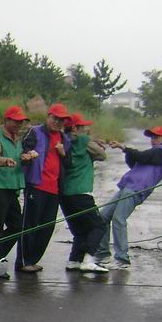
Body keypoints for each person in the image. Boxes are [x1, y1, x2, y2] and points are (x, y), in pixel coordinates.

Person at [94, 126, 162, 270]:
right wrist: (127, 152)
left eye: (156, 137)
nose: (153, 140)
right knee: (103, 216)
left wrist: (123, 147)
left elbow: (140, 156)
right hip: (127, 187)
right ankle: (103, 254)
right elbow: (134, 162)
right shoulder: (154, 152)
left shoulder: (161, 151)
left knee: (118, 219)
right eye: (152, 137)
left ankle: (121, 259)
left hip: (136, 189)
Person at [16, 103, 72, 273]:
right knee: (30, 224)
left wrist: (63, 153)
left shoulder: (64, 139)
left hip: (54, 189)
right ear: (48, 117)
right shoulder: (35, 132)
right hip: (36, 185)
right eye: (55, 118)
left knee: (47, 227)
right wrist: (29, 154)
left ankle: (33, 259)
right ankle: (23, 261)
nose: (57, 122)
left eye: (61, 120)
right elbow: (23, 150)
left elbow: (68, 163)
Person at [60, 113, 109, 273]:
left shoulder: (62, 140)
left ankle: (74, 260)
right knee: (98, 226)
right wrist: (93, 145)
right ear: (75, 128)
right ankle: (88, 260)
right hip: (81, 192)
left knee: (80, 230)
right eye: (82, 127)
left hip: (65, 193)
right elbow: (102, 155)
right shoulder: (83, 140)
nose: (84, 130)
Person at [0, 105, 27, 278]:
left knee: (18, 226)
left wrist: (26, 157)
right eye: (15, 121)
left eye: (21, 122)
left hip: (12, 188)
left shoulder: (18, 139)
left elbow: (18, 157)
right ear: (6, 120)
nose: (19, 125)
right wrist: (4, 161)